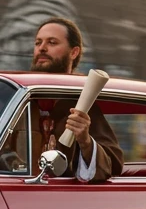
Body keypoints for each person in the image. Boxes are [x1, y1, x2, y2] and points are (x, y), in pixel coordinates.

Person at [28, 17, 124, 183]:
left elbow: (113, 166)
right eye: (38, 43)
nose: (42, 48)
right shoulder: (23, 98)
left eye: (52, 42)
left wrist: (85, 140)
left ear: (74, 52)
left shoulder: (82, 104)